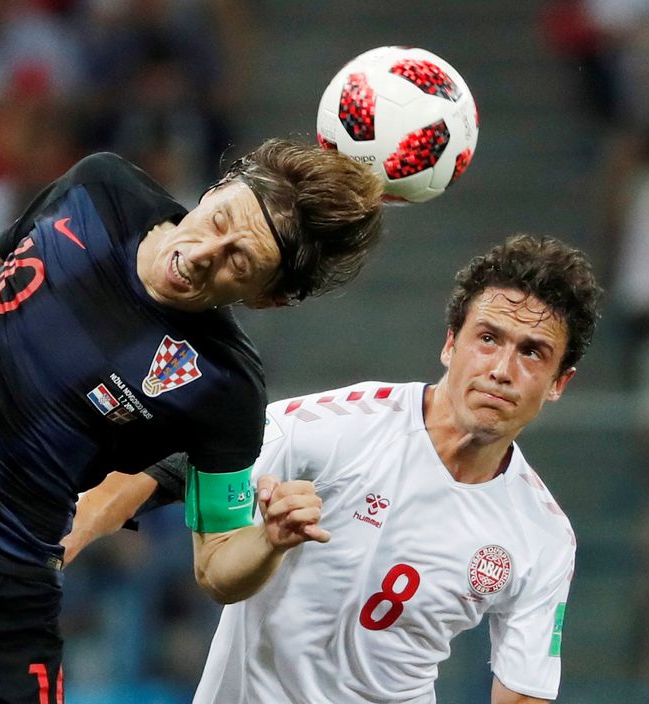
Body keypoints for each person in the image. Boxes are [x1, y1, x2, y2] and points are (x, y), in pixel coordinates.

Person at [0, 138, 384, 703]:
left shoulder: (225, 387)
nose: (207, 251)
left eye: (240, 260)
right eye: (222, 219)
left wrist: (271, 541)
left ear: (268, 299)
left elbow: (217, 564)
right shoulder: (101, 190)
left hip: (0, 593)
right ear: (216, 188)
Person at [67, 234, 604, 704]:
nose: (501, 370)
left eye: (533, 353)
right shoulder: (339, 427)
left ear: (559, 383)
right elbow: (169, 464)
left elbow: (523, 689)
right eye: (488, 338)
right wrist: (59, 544)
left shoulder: (543, 535)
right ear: (450, 343)